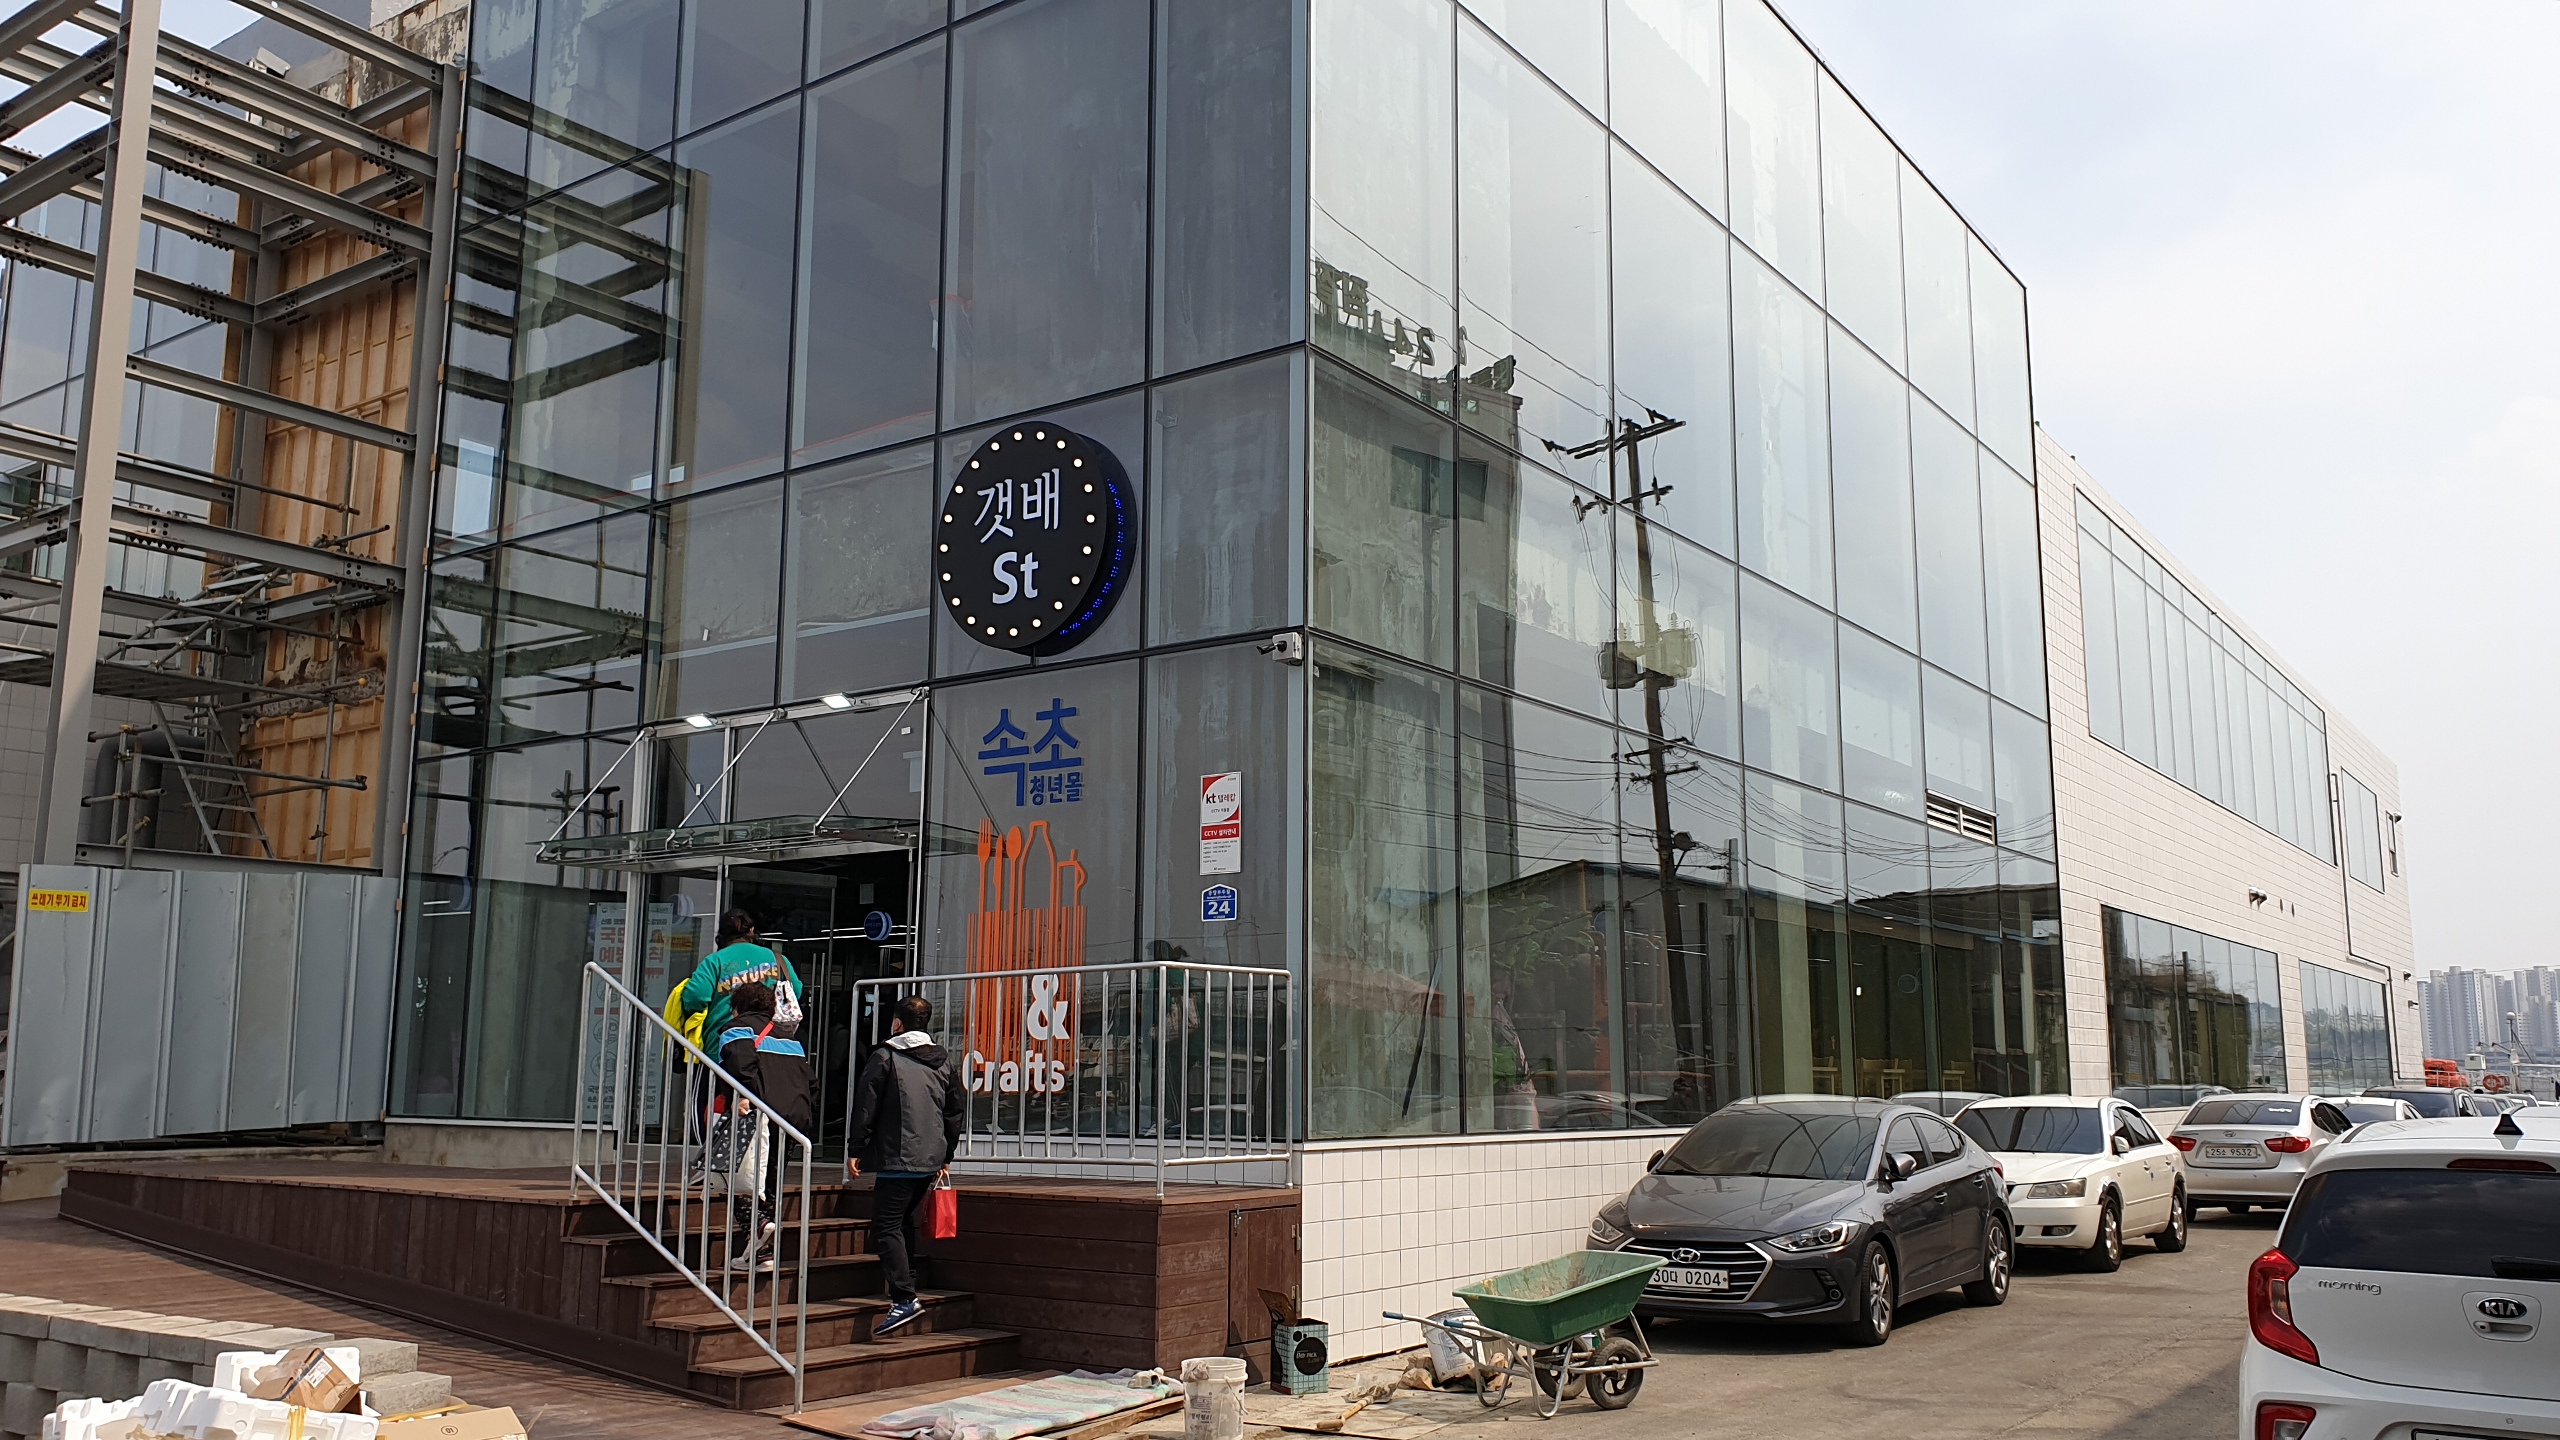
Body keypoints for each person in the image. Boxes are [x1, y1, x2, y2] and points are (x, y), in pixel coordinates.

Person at [847, 994, 965, 1335]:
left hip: (897, 1155)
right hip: (930, 1158)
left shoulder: (885, 1056)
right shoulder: (943, 1060)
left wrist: (856, 1147)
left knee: (886, 1226)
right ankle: (906, 1286)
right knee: (901, 1223)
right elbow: (954, 1111)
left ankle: (904, 1298)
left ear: (897, 1022)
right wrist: (946, 1155)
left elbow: (866, 1105)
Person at [715, 980, 815, 1267]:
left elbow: (739, 1065)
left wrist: (741, 1096)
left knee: (736, 1177)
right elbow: (811, 1082)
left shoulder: (737, 1029)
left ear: (737, 1008)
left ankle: (757, 1224)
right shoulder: (790, 1038)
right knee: (769, 1182)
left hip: (757, 1114)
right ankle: (762, 1253)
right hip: (793, 1119)